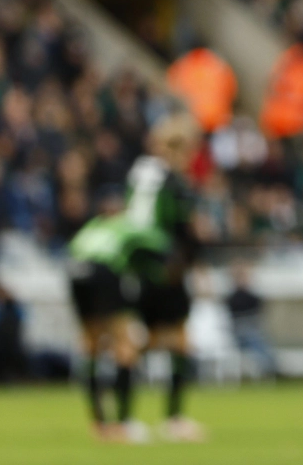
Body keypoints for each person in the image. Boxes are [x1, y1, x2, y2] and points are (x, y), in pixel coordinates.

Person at [125, 113, 205, 442]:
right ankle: (173, 418)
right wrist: (195, 259)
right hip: (166, 270)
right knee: (178, 342)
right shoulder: (174, 182)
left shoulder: (140, 175)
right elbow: (181, 230)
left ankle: (124, 418)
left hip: (138, 267)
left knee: (139, 343)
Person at [67, 201, 168, 441]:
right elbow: (160, 243)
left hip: (75, 272)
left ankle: (99, 423)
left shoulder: (90, 228)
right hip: (104, 272)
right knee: (125, 345)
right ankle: (123, 423)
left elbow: (72, 249)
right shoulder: (125, 226)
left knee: (91, 345)